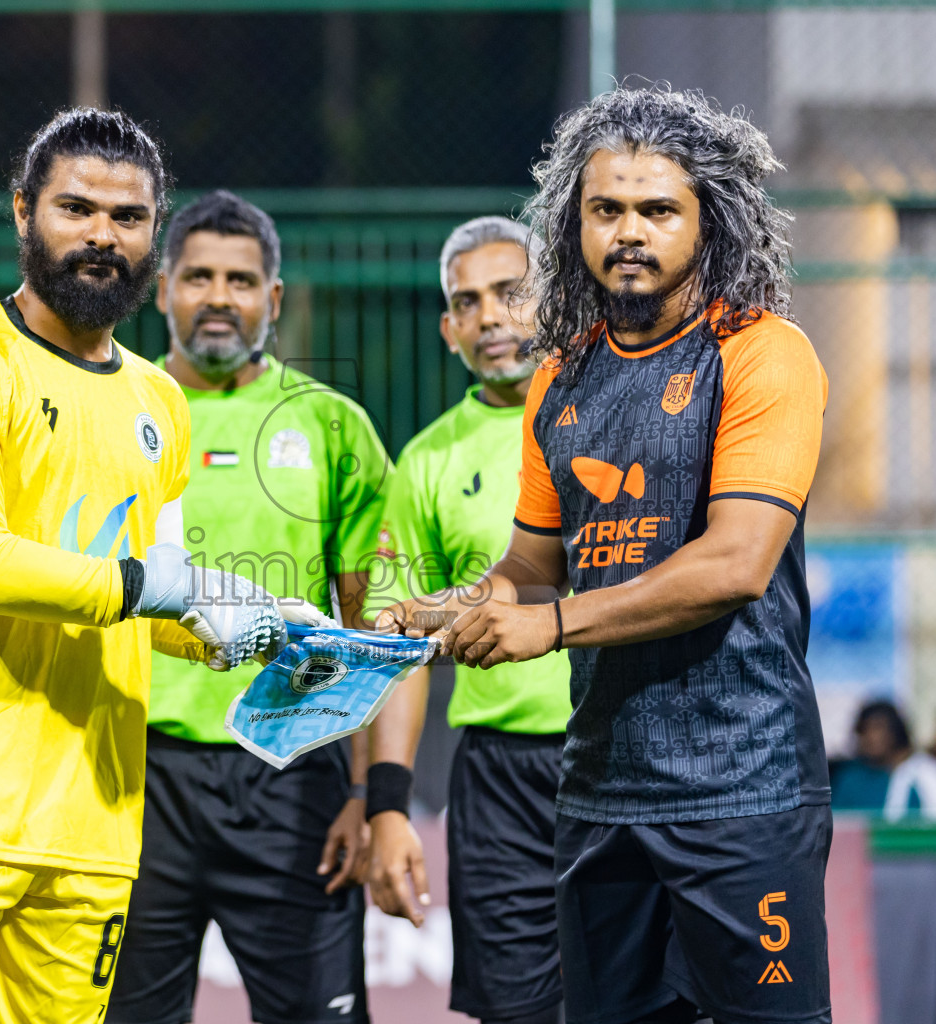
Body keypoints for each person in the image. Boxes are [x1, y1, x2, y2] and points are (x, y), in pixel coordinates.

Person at [0, 111, 320, 1024]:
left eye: (129, 217)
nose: (103, 235)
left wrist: (254, 625)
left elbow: (160, 592)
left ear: (154, 235)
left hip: (95, 830)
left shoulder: (158, 400)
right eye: (76, 208)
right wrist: (165, 588)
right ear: (23, 214)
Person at [378, 86, 833, 1024]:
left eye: (658, 210)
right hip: (599, 795)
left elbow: (736, 562)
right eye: (607, 209)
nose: (630, 231)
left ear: (710, 222)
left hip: (739, 790)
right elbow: (533, 565)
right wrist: (447, 610)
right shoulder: (561, 371)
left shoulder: (762, 354)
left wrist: (545, 626)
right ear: (572, 224)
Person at [106, 190, 390, 1023]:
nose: (218, 296)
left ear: (273, 298)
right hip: (135, 773)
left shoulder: (332, 426)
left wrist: (363, 792)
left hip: (292, 772)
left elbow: (367, 629)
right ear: (161, 290)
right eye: (198, 276)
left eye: (241, 279)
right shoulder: (112, 412)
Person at [364, 215, 572, 1024]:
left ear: (550, 298)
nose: (491, 316)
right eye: (468, 302)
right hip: (498, 784)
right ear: (449, 328)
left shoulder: (612, 416)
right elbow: (399, 649)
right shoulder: (426, 462)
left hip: (624, 754)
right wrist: (388, 803)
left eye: (511, 293)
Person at [831, 700, 936, 821]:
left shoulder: (928, 771)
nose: (871, 737)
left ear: (895, 730)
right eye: (864, 730)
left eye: (878, 728)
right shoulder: (851, 778)